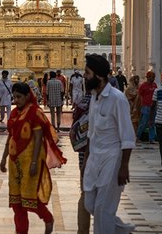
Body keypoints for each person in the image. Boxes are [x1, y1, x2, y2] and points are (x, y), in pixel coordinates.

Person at [0, 82, 66, 234]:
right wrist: (3, 158)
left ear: (27, 96)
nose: (15, 100)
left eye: (19, 97)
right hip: (15, 162)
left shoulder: (35, 113)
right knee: (17, 203)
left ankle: (48, 218)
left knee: (29, 198)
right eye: (14, 97)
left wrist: (35, 162)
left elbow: (38, 139)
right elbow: (11, 137)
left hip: (30, 161)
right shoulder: (15, 113)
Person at [82, 54, 135, 234]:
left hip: (112, 160)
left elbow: (127, 135)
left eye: (87, 73)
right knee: (90, 204)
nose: (84, 76)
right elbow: (91, 133)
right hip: (94, 159)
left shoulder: (117, 99)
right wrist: (86, 162)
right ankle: (123, 230)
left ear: (99, 75)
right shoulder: (94, 98)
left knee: (103, 209)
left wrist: (124, 167)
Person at [70, 90, 92, 234]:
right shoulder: (95, 101)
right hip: (94, 153)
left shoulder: (83, 102)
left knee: (86, 193)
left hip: (84, 152)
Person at [136, 71, 158, 144]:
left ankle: (151, 139)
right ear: (148, 77)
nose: (153, 78)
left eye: (154, 77)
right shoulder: (143, 85)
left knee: (152, 123)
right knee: (143, 123)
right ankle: (137, 137)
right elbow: (139, 96)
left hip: (153, 107)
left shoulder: (155, 85)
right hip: (145, 106)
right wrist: (137, 106)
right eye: (151, 77)